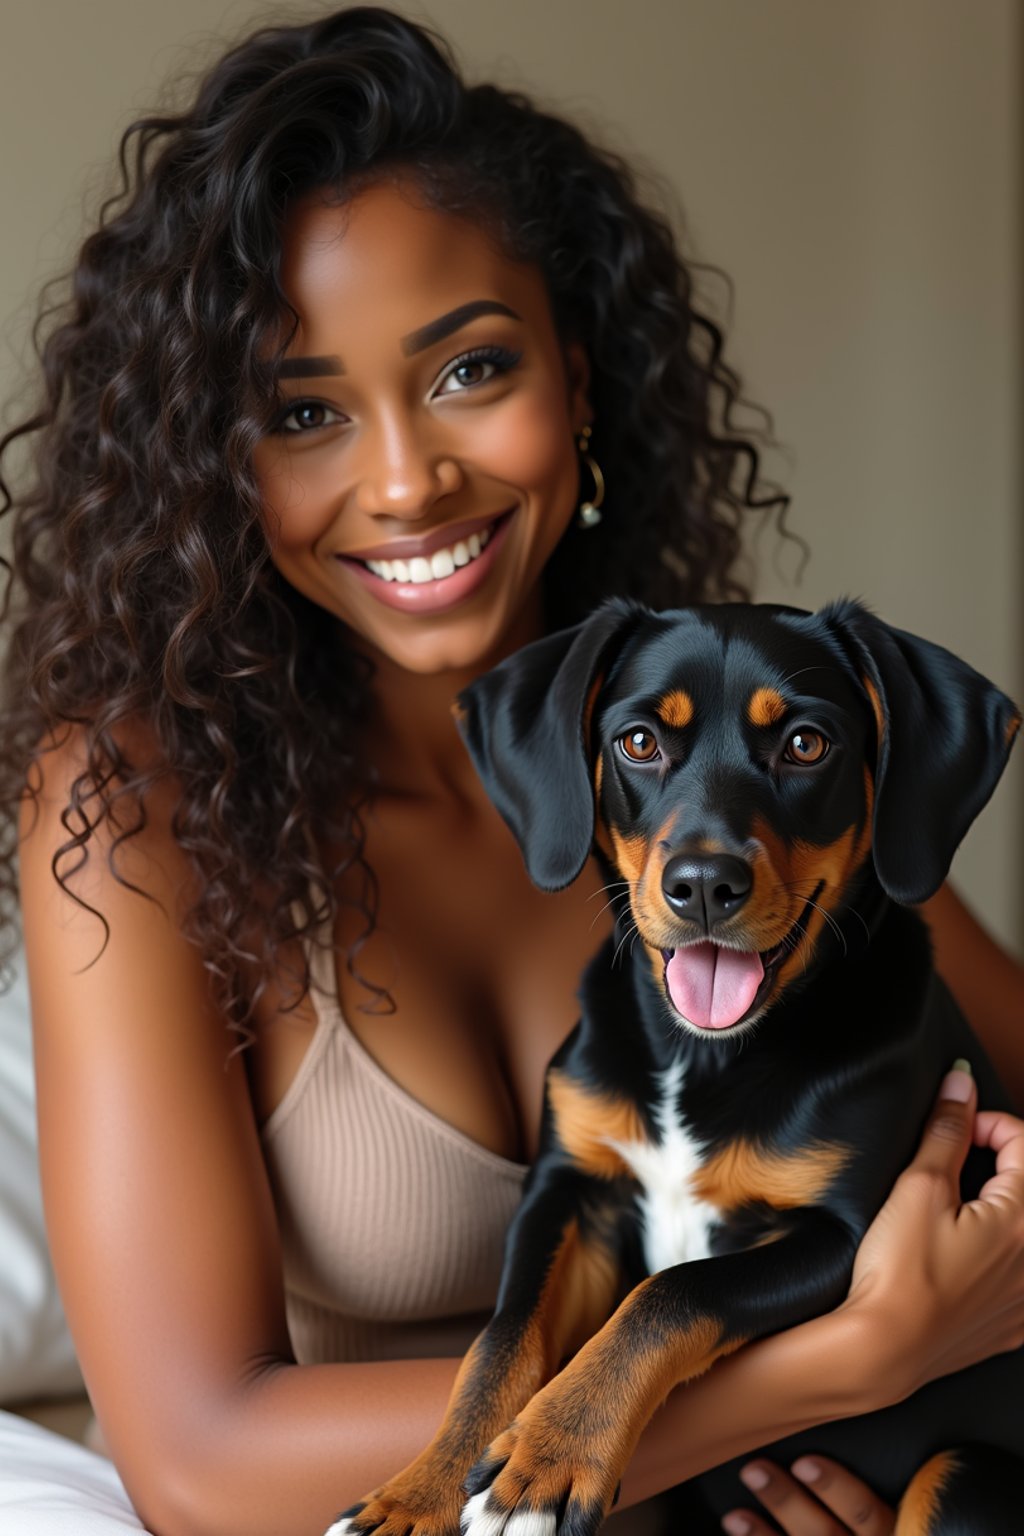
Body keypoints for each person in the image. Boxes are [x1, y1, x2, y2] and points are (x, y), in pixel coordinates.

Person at [1, 9, 1022, 1535]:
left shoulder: (755, 773)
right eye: (302, 411)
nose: (407, 478)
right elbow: (203, 1462)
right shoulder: (141, 806)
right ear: (220, 461)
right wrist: (853, 1359)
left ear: (581, 382)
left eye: (471, 368)